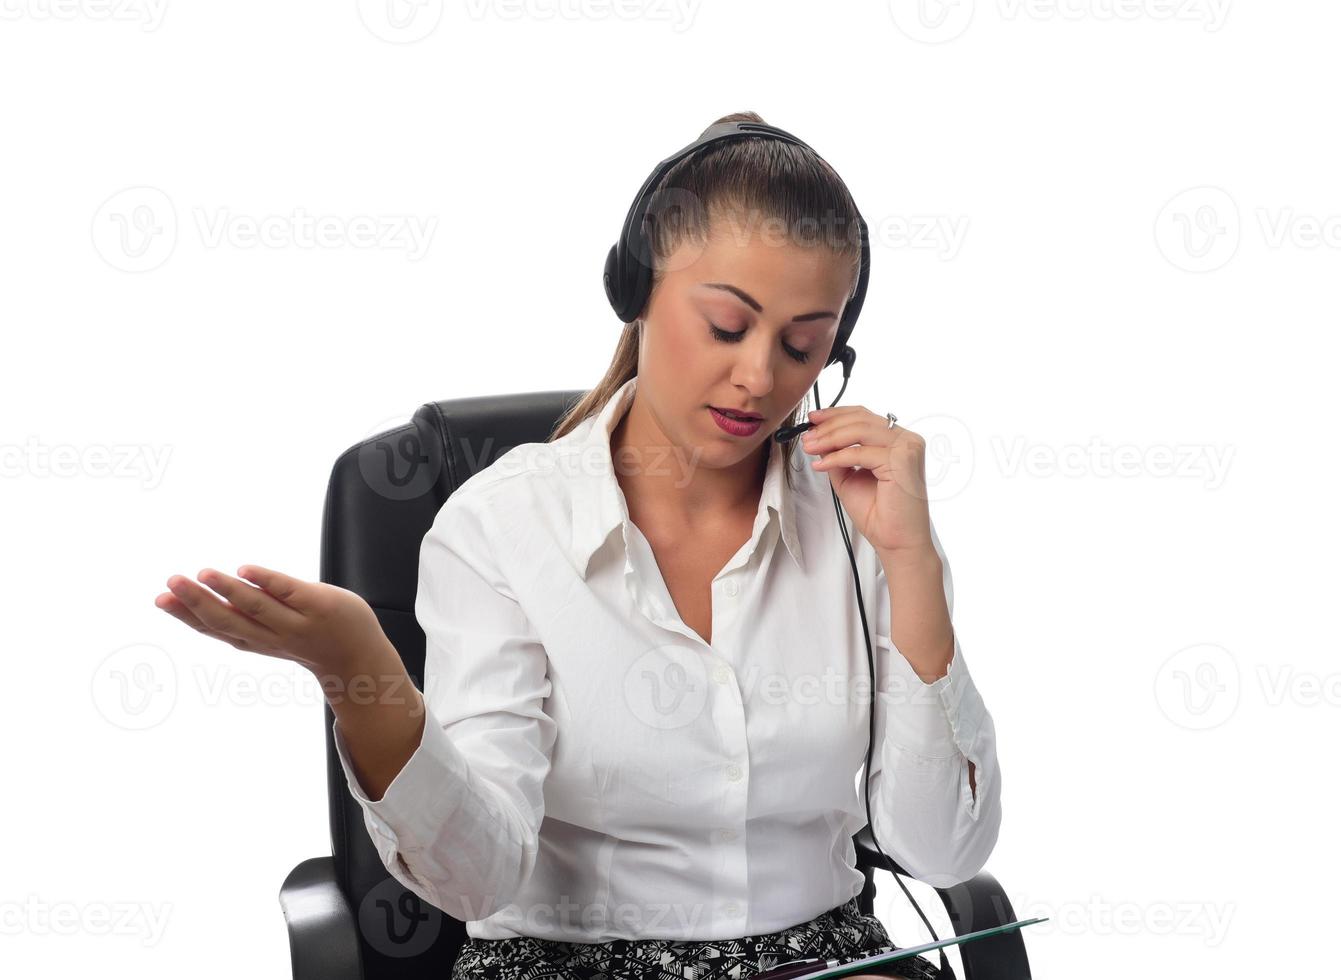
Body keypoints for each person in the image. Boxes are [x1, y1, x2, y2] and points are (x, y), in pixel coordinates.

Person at [154, 110, 1002, 980]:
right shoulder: (500, 527)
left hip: (823, 965)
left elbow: (943, 854)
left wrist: (914, 566)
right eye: (724, 326)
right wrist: (359, 672)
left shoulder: (858, 518)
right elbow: (478, 877)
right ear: (634, 290)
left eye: (801, 346)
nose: (759, 378)